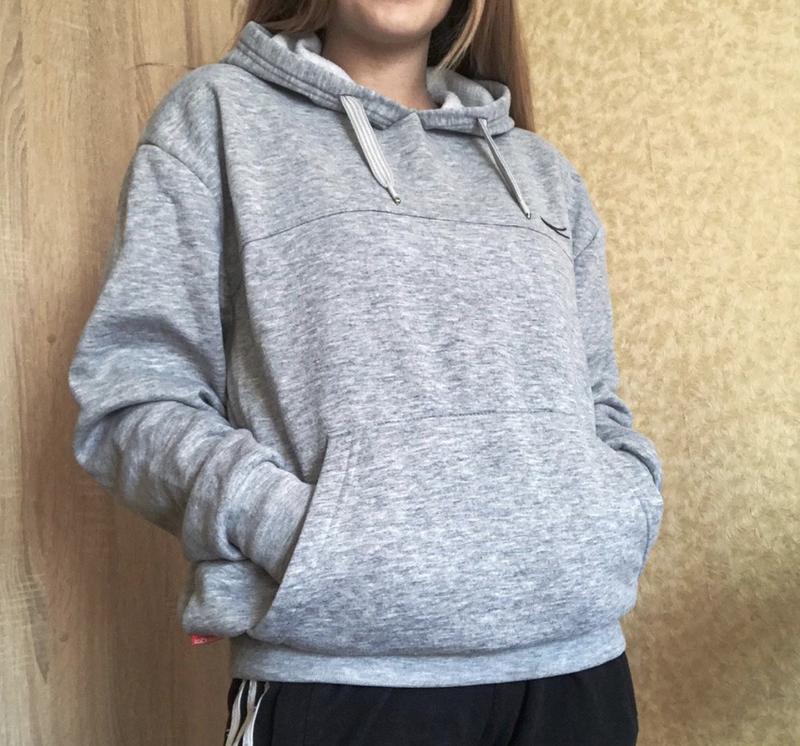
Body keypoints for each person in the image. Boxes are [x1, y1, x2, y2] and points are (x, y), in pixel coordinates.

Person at [67, 1, 665, 744]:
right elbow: (132, 396)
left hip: (579, 671)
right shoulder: (219, 117)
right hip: (344, 678)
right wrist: (300, 534)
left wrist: (621, 509)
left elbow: (598, 403)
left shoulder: (544, 174)